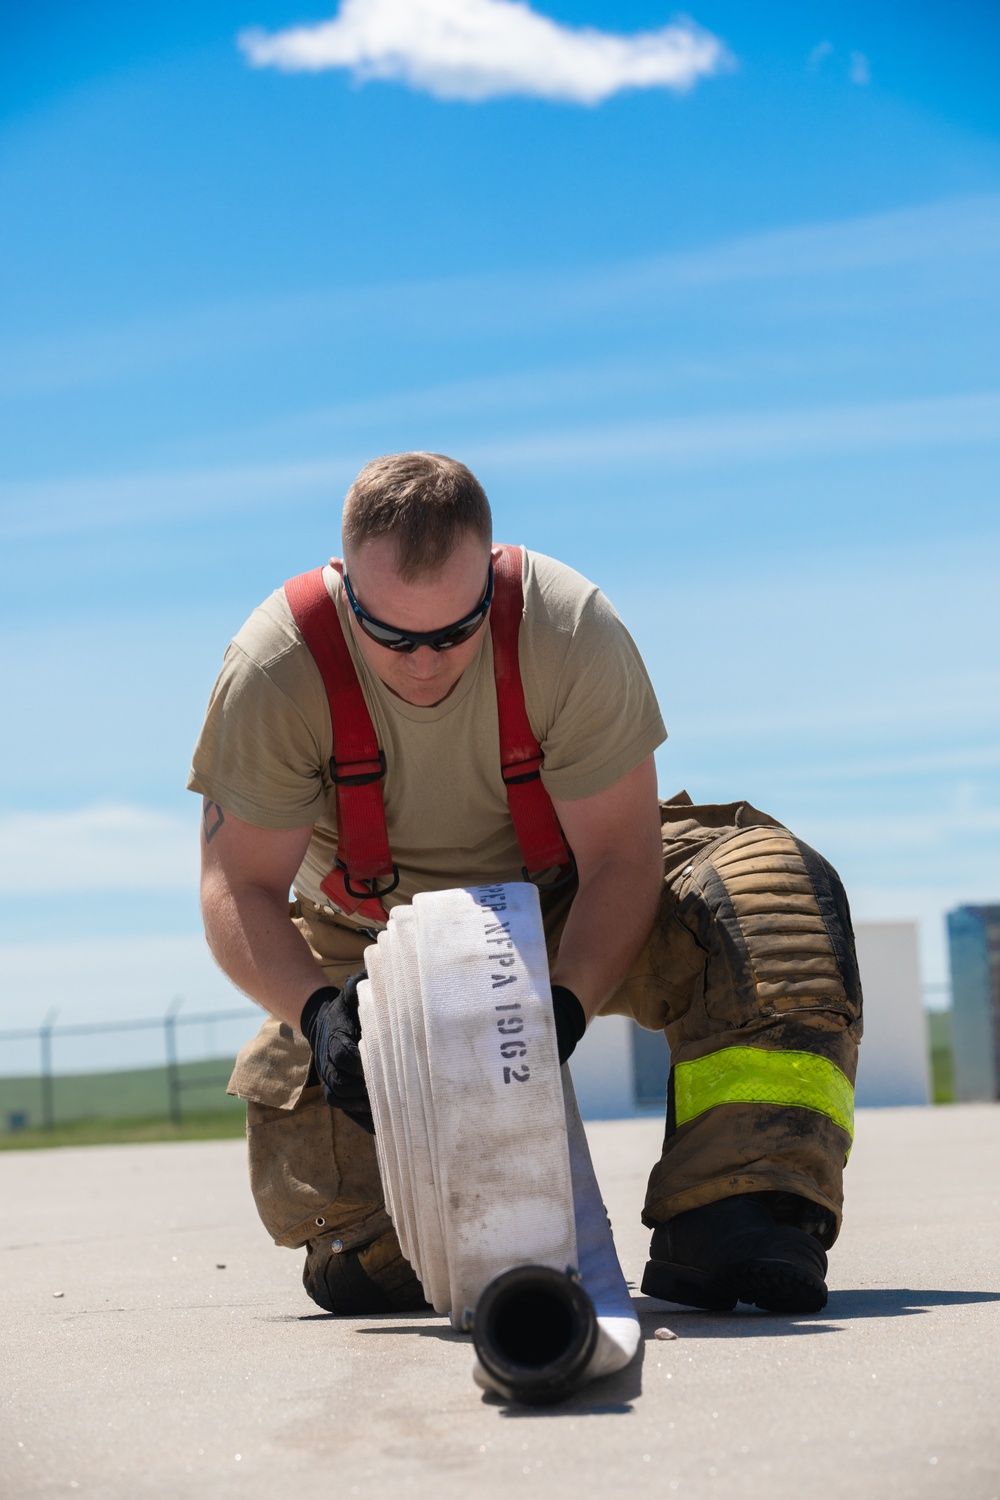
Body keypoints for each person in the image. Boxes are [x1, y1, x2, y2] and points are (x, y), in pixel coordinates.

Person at [188, 451, 862, 1318]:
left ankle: (736, 1206)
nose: (424, 665)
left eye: (454, 633)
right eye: (391, 636)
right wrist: (321, 1017)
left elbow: (623, 858)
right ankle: (385, 1233)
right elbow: (235, 887)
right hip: (375, 946)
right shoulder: (275, 664)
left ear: (490, 583)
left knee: (772, 896)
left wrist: (567, 1004)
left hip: (567, 902)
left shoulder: (568, 625)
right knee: (372, 1261)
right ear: (346, 586)